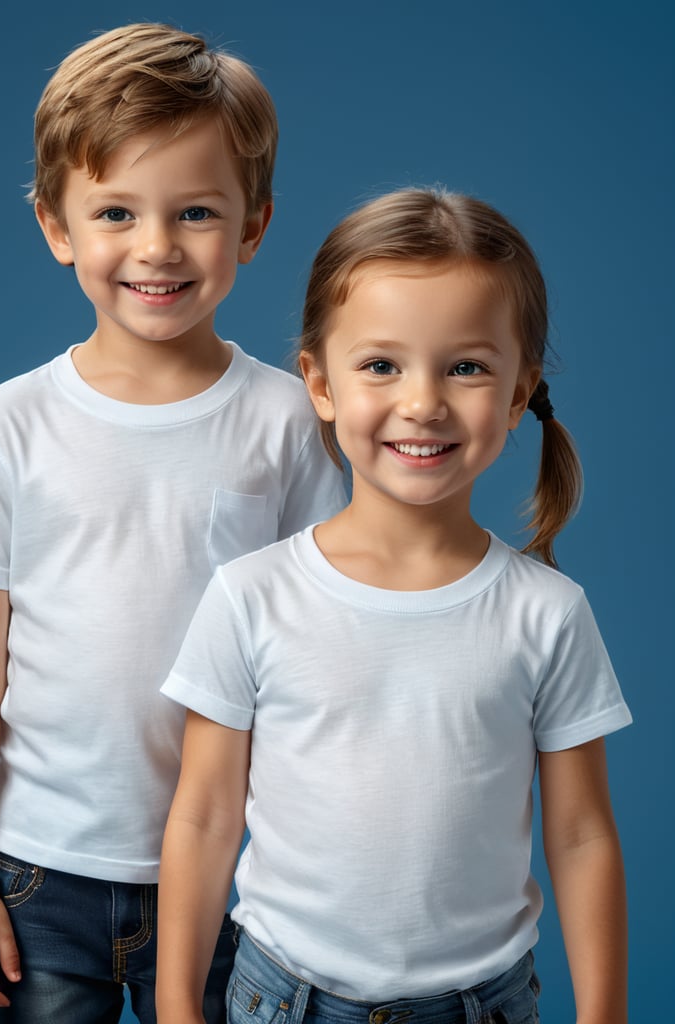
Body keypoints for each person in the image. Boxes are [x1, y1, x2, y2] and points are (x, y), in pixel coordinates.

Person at [0, 22, 346, 1024]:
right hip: (35, 876)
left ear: (252, 226)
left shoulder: (285, 418)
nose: (156, 247)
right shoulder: (11, 424)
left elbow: (322, 642)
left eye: (195, 212)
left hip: (227, 873)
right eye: (116, 211)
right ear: (57, 226)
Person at [155, 188, 632, 1024]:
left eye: (466, 367)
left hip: (479, 1005)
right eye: (381, 364)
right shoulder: (251, 597)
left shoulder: (547, 615)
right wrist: (174, 1006)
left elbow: (582, 834)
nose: (422, 403)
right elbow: (201, 817)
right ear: (320, 382)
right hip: (280, 1000)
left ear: (518, 394)